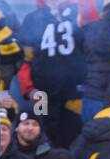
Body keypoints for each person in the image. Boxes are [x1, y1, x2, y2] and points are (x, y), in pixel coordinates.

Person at [18, 0, 86, 149]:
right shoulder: (33, 18)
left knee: (72, 131)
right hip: (41, 91)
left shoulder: (76, 12)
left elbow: (89, 40)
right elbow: (25, 60)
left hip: (72, 91)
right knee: (41, 131)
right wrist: (28, 88)